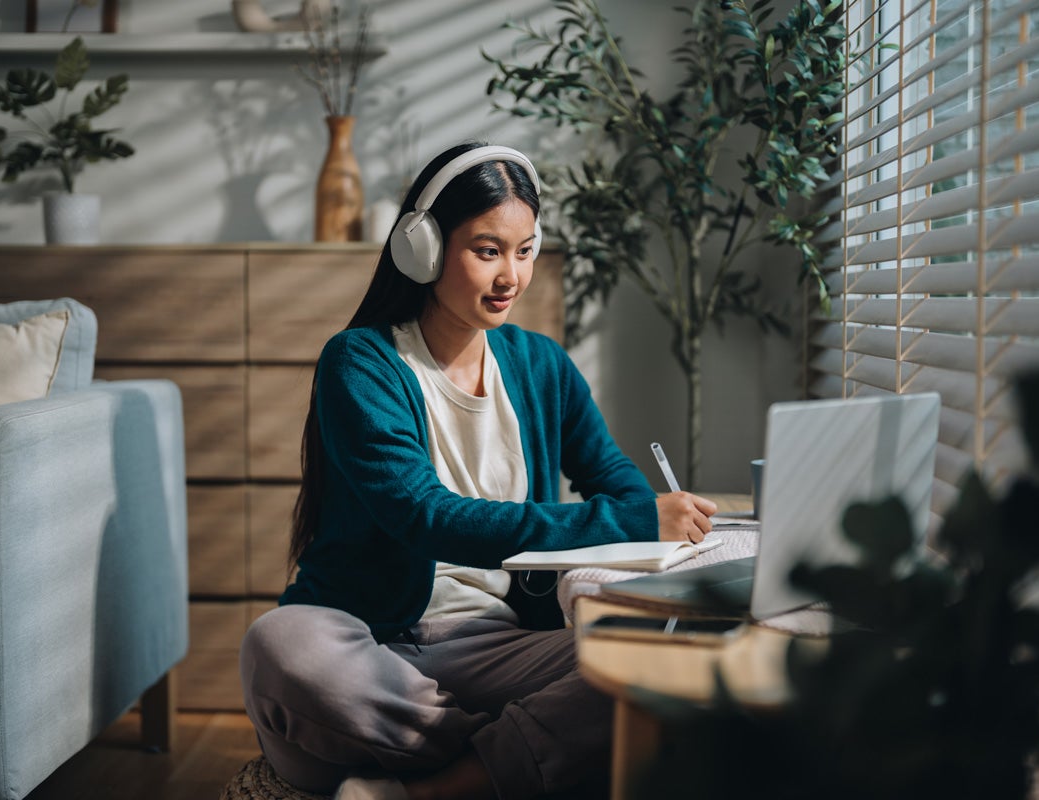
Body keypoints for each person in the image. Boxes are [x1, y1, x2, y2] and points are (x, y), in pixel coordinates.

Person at [239, 142, 717, 800]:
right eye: (488, 250)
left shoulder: (541, 365)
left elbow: (620, 483)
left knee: (673, 652)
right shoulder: (361, 362)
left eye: (524, 251)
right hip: (368, 648)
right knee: (277, 645)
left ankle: (441, 787)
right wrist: (633, 519)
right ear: (423, 249)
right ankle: (518, 754)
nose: (511, 277)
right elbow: (426, 517)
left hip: (501, 647)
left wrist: (639, 516)